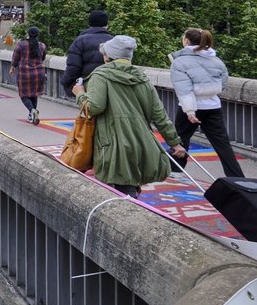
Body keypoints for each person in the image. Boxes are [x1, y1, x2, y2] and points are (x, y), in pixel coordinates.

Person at [73, 35, 186, 198]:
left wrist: (80, 94)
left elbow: (94, 107)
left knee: (115, 189)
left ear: (107, 56)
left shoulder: (101, 75)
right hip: (140, 140)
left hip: (112, 142)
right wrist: (174, 143)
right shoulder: (142, 77)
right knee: (128, 185)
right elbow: (159, 114)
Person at [169, 28, 245, 178]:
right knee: (222, 144)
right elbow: (222, 84)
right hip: (213, 106)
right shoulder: (216, 60)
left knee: (181, 139)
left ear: (186, 41)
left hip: (191, 108)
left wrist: (190, 112)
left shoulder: (180, 62)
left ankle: (176, 170)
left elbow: (184, 90)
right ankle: (236, 177)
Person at [61, 10, 114, 95]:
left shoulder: (80, 40)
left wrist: (66, 82)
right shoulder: (114, 40)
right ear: (107, 24)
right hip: (110, 86)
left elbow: (73, 67)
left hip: (88, 86)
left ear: (89, 24)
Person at [10, 26, 47, 124]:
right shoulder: (42, 46)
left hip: (24, 73)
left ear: (28, 34)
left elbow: (15, 58)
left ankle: (32, 110)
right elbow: (42, 58)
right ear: (38, 35)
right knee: (34, 94)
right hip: (39, 73)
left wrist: (12, 67)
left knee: (23, 94)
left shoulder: (21, 45)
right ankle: (32, 116)